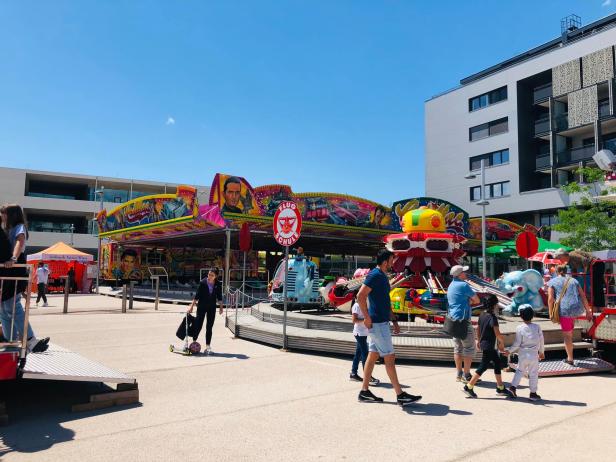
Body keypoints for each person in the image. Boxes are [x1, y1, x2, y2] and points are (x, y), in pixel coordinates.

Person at [356, 248, 421, 405]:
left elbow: (384, 300)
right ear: (385, 262)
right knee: (390, 358)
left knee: (372, 356)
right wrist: (366, 318)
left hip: (381, 322)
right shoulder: (375, 275)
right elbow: (360, 295)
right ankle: (400, 394)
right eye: (392, 260)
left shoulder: (382, 276)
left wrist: (394, 320)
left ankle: (364, 391)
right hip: (377, 324)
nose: (393, 263)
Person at [0, 205, 49, 352]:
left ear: (11, 215)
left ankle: (30, 339)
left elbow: (19, 242)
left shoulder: (19, 227)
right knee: (4, 307)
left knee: (13, 306)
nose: (2, 216)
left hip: (15, 268)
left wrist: (13, 258)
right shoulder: (7, 229)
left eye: (3, 213)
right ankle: (11, 340)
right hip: (8, 270)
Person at [462, 294, 512, 398]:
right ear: (494, 305)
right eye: (497, 304)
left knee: (497, 363)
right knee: (483, 366)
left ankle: (500, 387)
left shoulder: (482, 315)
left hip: (485, 344)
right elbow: (498, 334)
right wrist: (502, 345)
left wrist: (478, 340)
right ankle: (469, 386)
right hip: (489, 346)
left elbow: (478, 328)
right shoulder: (492, 318)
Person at [547, 264, 593, 365]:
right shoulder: (574, 280)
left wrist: (551, 313)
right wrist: (588, 311)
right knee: (569, 332)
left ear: (556, 271)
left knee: (567, 336)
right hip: (576, 309)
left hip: (565, 310)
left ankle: (570, 358)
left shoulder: (552, 282)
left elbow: (550, 299)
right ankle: (570, 352)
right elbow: (583, 296)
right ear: (566, 271)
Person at [446, 265, 480, 383]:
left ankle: (459, 374)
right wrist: (469, 301)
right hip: (464, 320)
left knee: (458, 348)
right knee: (469, 348)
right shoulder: (464, 285)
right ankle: (467, 375)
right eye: (464, 272)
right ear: (459, 274)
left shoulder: (451, 286)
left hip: (453, 320)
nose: (466, 273)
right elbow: (477, 300)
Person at [507, 304, 545, 401]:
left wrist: (509, 351)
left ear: (521, 316)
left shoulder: (519, 328)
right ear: (532, 315)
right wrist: (541, 352)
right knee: (533, 373)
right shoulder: (537, 327)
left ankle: (512, 388)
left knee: (519, 371)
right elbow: (541, 340)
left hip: (523, 354)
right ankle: (533, 393)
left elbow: (517, 343)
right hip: (533, 355)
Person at [188, 268, 223, 354]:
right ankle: (194, 342)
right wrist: (191, 307)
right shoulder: (203, 282)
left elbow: (219, 297)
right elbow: (197, 296)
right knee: (198, 325)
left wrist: (221, 307)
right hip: (201, 307)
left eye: (212, 275)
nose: (209, 277)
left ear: (216, 276)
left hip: (212, 308)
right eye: (208, 274)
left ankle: (208, 347)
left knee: (209, 327)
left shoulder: (218, 284)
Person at [349, 295, 379, 386]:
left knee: (358, 354)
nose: (365, 296)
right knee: (365, 355)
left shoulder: (364, 304)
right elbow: (354, 320)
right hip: (359, 333)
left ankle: (353, 374)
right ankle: (368, 377)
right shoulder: (356, 306)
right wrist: (366, 319)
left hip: (363, 333)